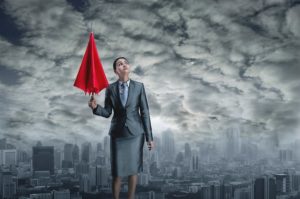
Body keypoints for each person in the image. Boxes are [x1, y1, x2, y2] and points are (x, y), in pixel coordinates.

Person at [88, 57, 154, 199]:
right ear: (116, 71)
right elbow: (107, 112)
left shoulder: (139, 87)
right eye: (120, 64)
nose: (124, 65)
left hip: (136, 134)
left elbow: (145, 112)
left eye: (125, 63)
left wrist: (149, 137)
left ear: (128, 67)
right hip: (117, 134)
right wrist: (95, 108)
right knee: (117, 173)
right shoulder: (110, 89)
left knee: (133, 171)